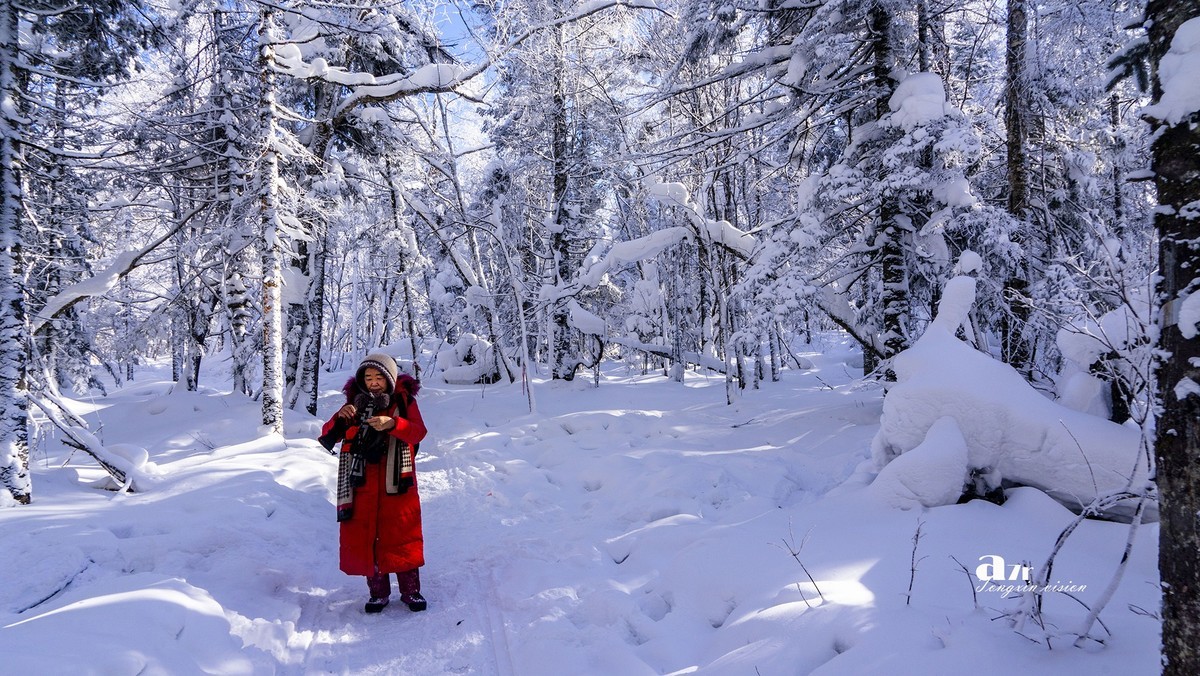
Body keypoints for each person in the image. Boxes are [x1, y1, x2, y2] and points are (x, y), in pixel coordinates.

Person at [319, 353, 428, 613]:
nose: (373, 382)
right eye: (368, 378)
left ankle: (411, 592)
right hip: (362, 480)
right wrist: (340, 417)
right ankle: (378, 593)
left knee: (400, 533)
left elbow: (418, 432)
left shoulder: (403, 401)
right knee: (369, 535)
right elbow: (328, 435)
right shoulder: (354, 403)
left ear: (390, 378)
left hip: (396, 481)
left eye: (379, 377)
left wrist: (393, 423)